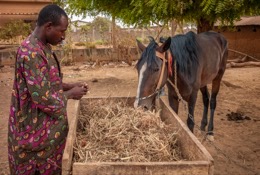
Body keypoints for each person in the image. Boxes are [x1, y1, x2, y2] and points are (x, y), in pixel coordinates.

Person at [7, 4, 88, 175]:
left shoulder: (44, 47)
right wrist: (71, 95)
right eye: (62, 31)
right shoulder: (30, 53)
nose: (64, 36)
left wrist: (71, 86)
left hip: (46, 136)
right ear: (48, 26)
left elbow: (48, 83)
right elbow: (42, 98)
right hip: (33, 137)